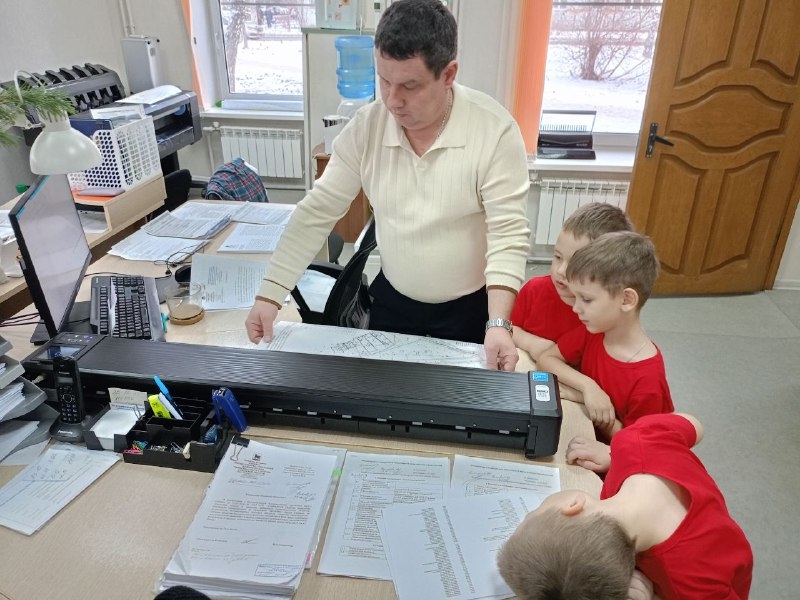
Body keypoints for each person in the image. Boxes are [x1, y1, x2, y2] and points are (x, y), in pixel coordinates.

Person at [244, 0, 531, 370]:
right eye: (384, 81)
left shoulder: (494, 131)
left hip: (470, 309)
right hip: (393, 301)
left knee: (459, 402)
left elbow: (508, 234)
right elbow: (317, 211)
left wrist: (499, 323)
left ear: (448, 74)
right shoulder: (368, 126)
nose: (393, 101)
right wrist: (270, 293)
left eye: (410, 85)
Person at [497, 413, 753, 600]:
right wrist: (616, 453)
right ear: (572, 506)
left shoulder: (688, 581)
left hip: (727, 573)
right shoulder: (636, 440)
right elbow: (694, 425)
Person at [536, 231, 673, 444]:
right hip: (579, 432)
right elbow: (547, 359)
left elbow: (642, 447)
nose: (576, 308)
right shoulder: (594, 332)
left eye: (586, 299)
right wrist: (588, 388)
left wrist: (602, 415)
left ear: (626, 300)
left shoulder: (648, 380)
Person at [510, 202, 633, 360]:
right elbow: (507, 327)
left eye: (576, 263)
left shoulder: (607, 312)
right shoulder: (535, 289)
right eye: (558, 257)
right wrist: (530, 343)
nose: (561, 271)